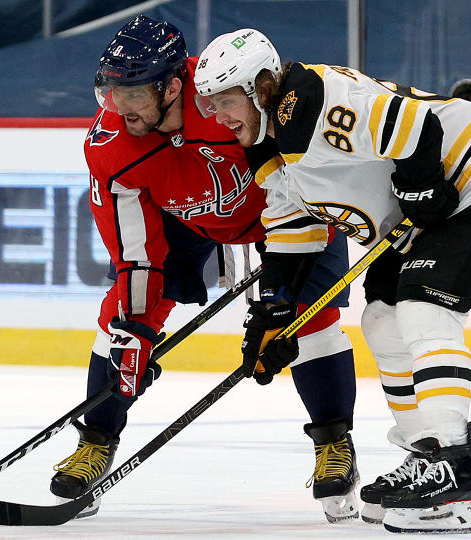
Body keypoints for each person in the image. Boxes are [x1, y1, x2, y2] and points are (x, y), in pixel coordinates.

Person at [194, 28, 471, 534]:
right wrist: (277, 305)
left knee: (424, 311)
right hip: (428, 209)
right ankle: (426, 456)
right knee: (381, 319)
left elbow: (415, 127)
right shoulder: (269, 141)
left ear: (260, 87)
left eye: (224, 101)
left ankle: (455, 473)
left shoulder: (319, 106)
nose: (217, 116)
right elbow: (295, 224)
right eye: (210, 104)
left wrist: (421, 192)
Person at [51, 16, 363, 523]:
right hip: (186, 224)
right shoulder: (109, 144)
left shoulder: (225, 95)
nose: (118, 108)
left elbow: (299, 166)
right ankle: (96, 444)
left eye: (132, 94)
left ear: (173, 85)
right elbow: (134, 245)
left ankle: (334, 444)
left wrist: (281, 300)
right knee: (123, 322)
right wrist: (134, 324)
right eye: (110, 91)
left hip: (289, 208)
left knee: (309, 320)